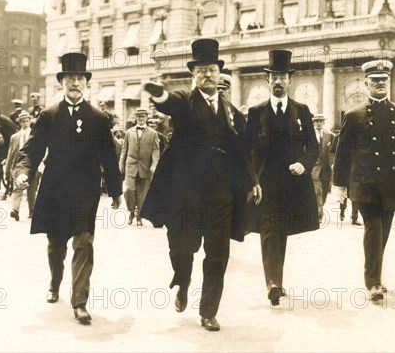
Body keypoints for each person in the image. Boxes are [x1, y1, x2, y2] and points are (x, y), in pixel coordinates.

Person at [142, 38, 257, 332]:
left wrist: (253, 181)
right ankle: (182, 279)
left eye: (212, 70)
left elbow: (243, 152)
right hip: (187, 195)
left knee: (218, 254)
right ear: (194, 75)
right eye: (201, 70)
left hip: (221, 196)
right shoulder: (185, 102)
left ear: (219, 74)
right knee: (181, 248)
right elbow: (170, 102)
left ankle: (208, 310)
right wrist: (158, 95)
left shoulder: (234, 113)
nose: (207, 75)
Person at [14, 52, 122, 324]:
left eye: (80, 79)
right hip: (55, 188)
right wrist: (23, 171)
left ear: (86, 83)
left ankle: (79, 302)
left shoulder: (98, 118)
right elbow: (33, 148)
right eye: (70, 78)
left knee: (84, 242)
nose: (75, 83)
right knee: (56, 243)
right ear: (61, 83)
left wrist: (116, 190)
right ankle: (54, 282)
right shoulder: (50, 115)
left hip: (85, 191)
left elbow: (108, 156)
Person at [333, 59, 395, 301]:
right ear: (366, 84)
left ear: (389, 82)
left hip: (393, 183)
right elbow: (343, 152)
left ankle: (375, 275)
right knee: (373, 228)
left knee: (383, 232)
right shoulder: (354, 115)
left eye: (384, 80)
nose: (380, 84)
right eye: (375, 81)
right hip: (365, 183)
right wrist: (339, 185)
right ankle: (373, 282)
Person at [245, 49, 319, 307]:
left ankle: (278, 279)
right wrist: (252, 180)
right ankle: (273, 283)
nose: (278, 82)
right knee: (269, 231)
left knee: (282, 231)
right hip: (265, 184)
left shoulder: (302, 111)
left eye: (282, 77)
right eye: (273, 77)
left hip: (293, 184)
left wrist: (303, 163)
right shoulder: (256, 113)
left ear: (290, 80)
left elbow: (313, 147)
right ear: (267, 81)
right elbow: (247, 150)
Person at [119, 108, 160, 227]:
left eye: (143, 116)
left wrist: (154, 165)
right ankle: (131, 211)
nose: (141, 119)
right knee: (129, 190)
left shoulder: (153, 133)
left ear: (146, 118)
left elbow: (156, 150)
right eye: (139, 117)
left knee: (142, 193)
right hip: (130, 165)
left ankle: (139, 216)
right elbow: (124, 150)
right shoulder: (129, 132)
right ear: (136, 118)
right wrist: (121, 163)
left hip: (145, 167)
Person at [6, 111, 37, 220]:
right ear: (19, 123)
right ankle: (15, 210)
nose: (25, 123)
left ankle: (32, 210)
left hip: (32, 164)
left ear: (30, 122)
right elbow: (10, 153)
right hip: (18, 165)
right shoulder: (14, 137)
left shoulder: (34, 135)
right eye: (22, 121)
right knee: (18, 187)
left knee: (32, 188)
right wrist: (8, 168)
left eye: (27, 121)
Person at [311, 114, 335, 222]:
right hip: (314, 168)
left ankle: (321, 207)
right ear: (314, 123)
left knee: (325, 190)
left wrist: (332, 164)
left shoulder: (330, 135)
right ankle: (318, 213)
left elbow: (332, 151)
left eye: (321, 121)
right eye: (317, 121)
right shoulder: (308, 135)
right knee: (317, 190)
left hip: (326, 168)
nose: (319, 123)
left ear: (324, 122)